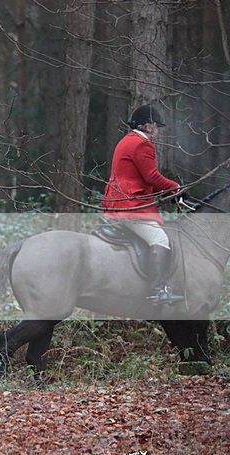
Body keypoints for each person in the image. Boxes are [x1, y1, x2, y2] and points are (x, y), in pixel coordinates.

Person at [101, 104, 184, 305]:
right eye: (156, 127)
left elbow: (141, 179)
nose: (157, 131)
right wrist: (176, 188)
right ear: (148, 126)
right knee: (160, 239)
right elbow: (151, 175)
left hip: (118, 200)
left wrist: (167, 192)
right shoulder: (142, 144)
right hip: (130, 205)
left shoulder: (127, 141)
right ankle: (158, 291)